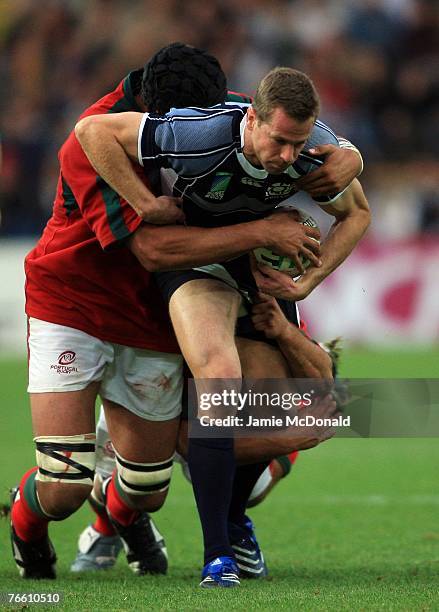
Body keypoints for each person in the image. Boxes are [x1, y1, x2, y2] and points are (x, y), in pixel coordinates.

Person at [10, 43, 362, 582]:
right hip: (80, 303)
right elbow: (153, 251)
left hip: (154, 313)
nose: (287, 155)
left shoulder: (246, 123)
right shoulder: (107, 140)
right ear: (164, 119)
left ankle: (129, 517)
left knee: (154, 486)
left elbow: (312, 148)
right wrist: (260, 230)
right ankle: (40, 524)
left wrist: (347, 155)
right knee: (66, 484)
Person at [71, 293, 340, 576]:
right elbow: (187, 442)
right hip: (153, 398)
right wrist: (289, 438)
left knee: (254, 489)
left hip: (215, 424)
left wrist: (286, 333)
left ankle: (233, 526)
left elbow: (320, 382)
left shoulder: (272, 314)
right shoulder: (180, 297)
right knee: (140, 487)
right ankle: (111, 525)